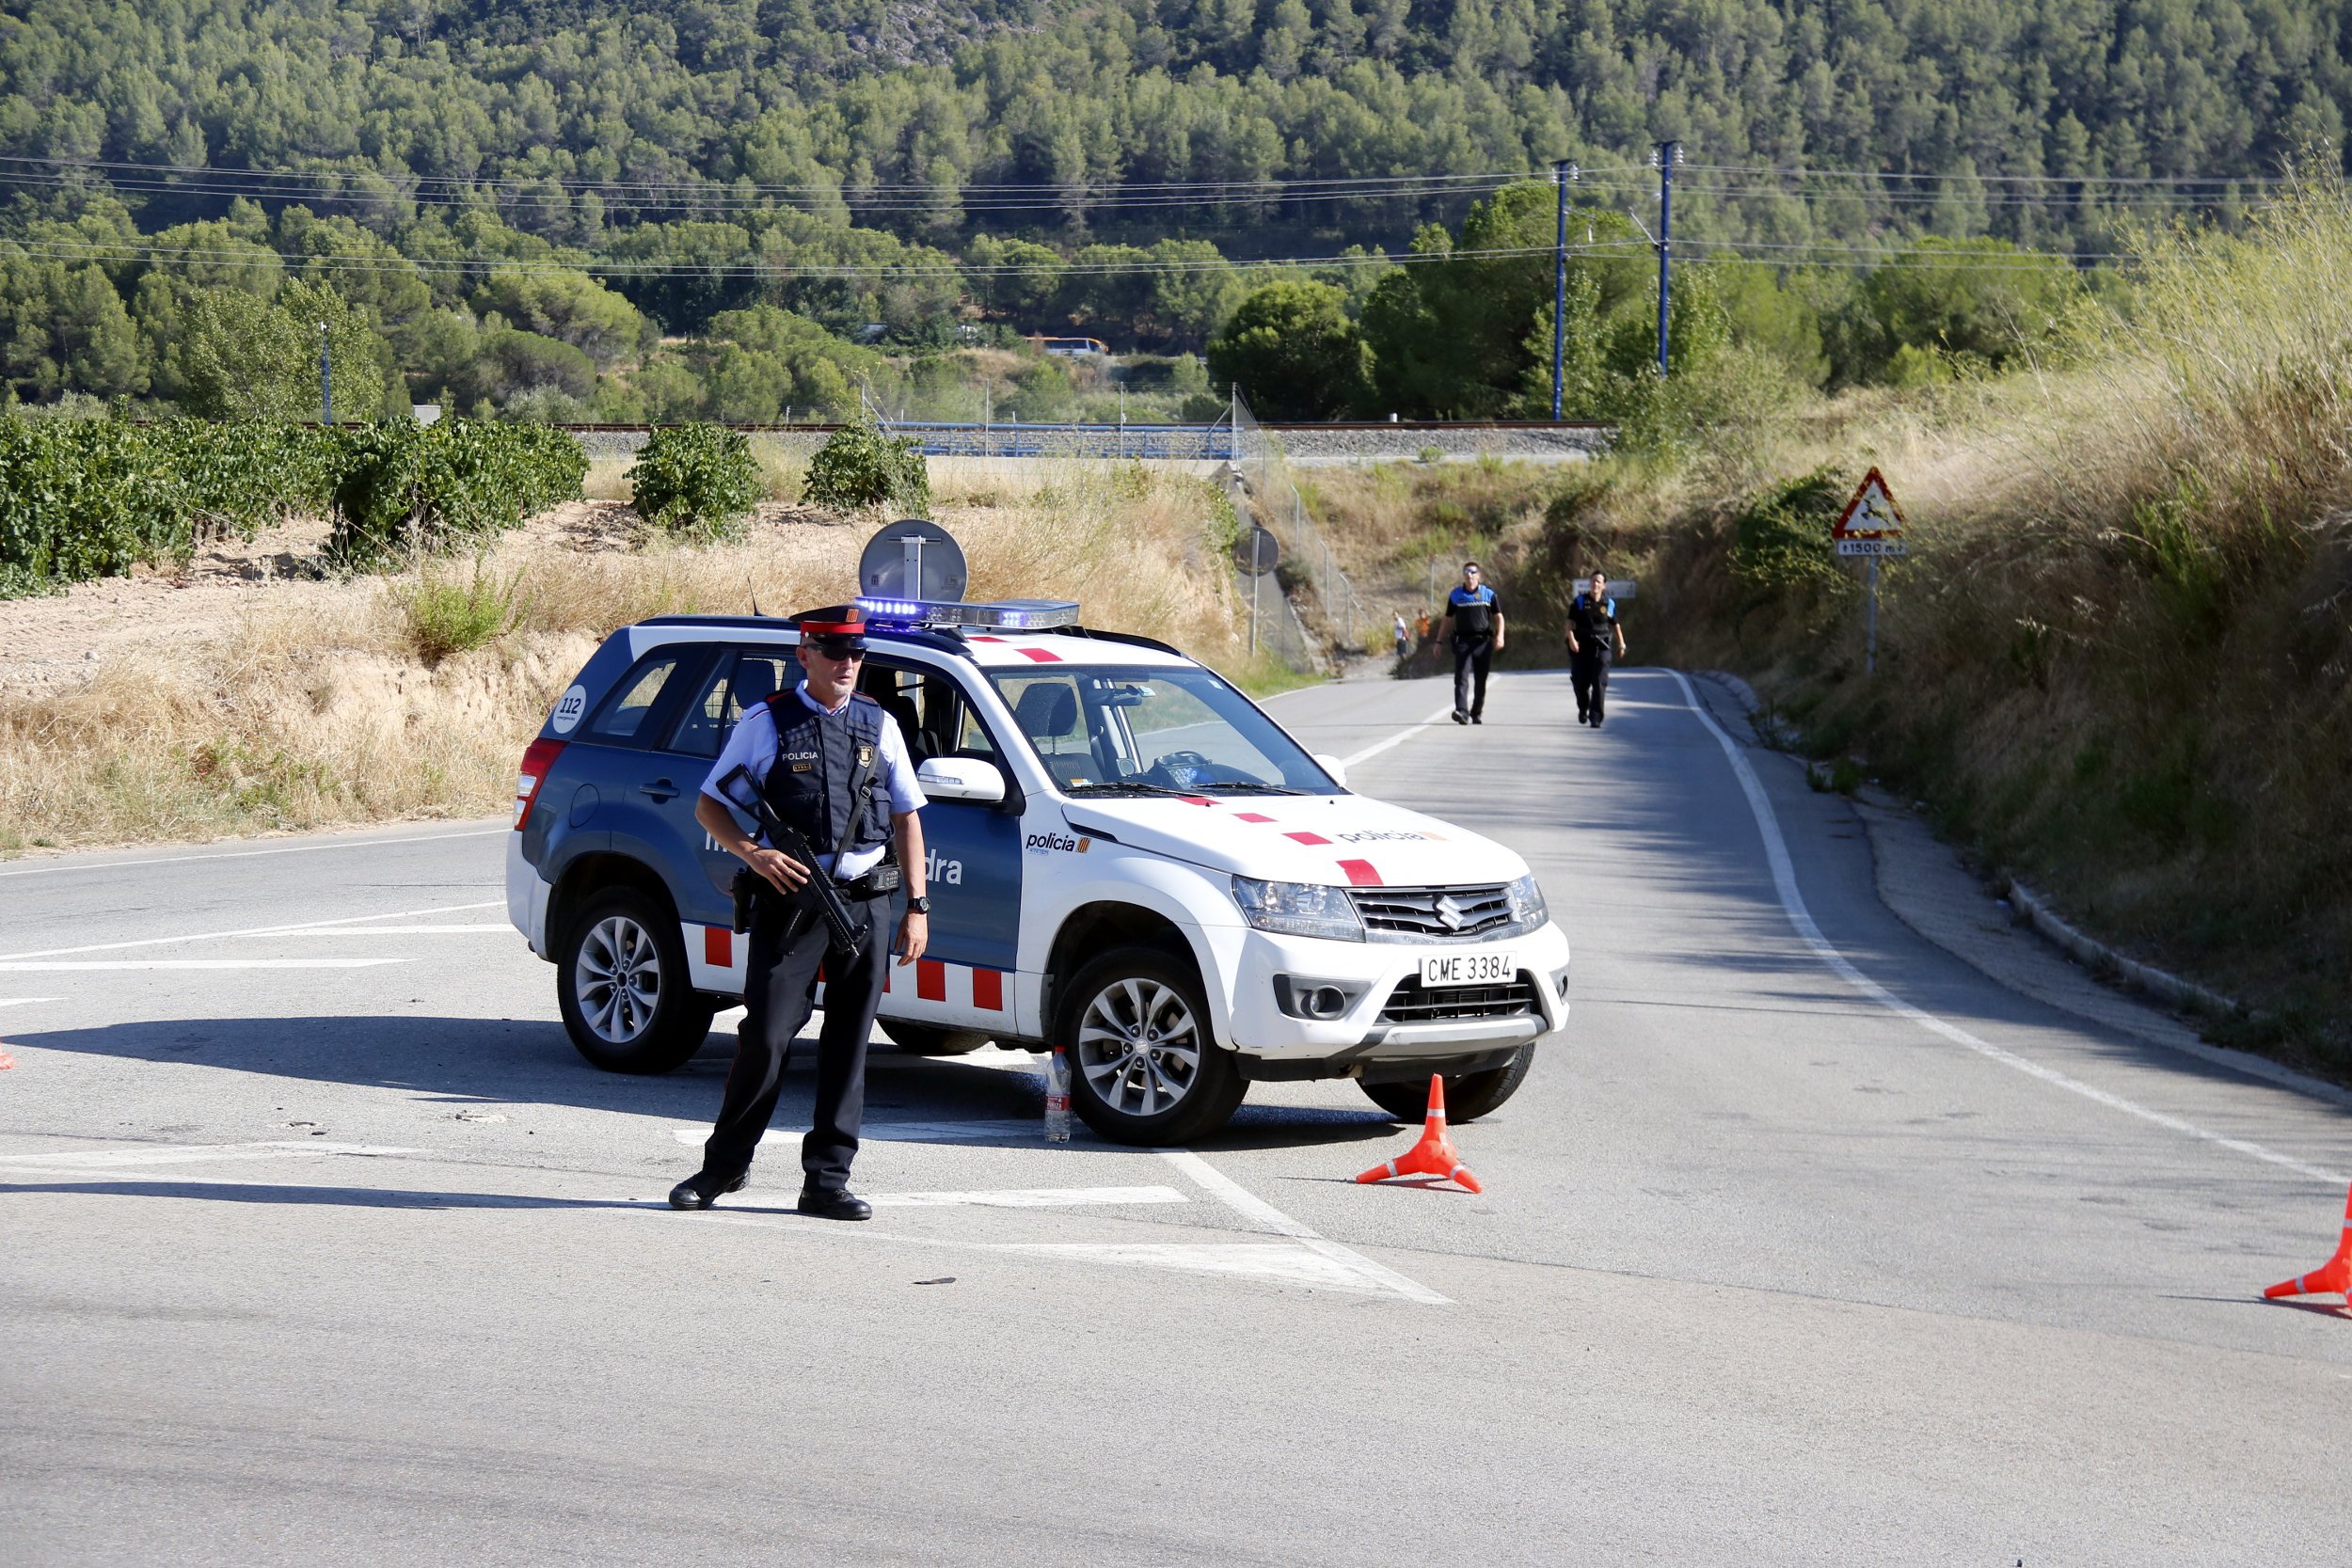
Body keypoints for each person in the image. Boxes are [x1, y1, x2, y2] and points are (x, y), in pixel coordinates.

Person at [670, 604, 930, 1220]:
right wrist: (753, 853)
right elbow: (711, 804)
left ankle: (826, 1181)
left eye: (856, 654)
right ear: (804, 654)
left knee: (848, 1045)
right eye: (834, 652)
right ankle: (724, 1167)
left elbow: (906, 816)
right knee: (765, 1035)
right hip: (792, 904)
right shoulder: (768, 722)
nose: (847, 664)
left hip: (866, 900)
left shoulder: (879, 723)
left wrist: (917, 906)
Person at [1438, 562, 1504, 724]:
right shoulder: (1456, 595)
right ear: (1463, 575)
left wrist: (1500, 635)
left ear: (1478, 575)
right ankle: (1462, 711)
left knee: (1481, 679)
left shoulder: (1488, 594)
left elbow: (1498, 617)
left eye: (1473, 572)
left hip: (1483, 641)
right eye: (1466, 572)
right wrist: (1438, 641)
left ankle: (1476, 712)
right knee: (1461, 677)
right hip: (1463, 641)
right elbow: (1447, 619)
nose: (1469, 575)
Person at [1563, 570, 1627, 727]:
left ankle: (1596, 716)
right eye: (1593, 581)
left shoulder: (1609, 604)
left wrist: (1621, 644)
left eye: (1599, 582)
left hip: (1602, 648)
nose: (1595, 584)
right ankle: (1583, 708)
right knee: (1579, 682)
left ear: (1604, 585)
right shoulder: (1579, 602)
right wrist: (1572, 640)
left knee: (1599, 682)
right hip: (1581, 648)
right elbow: (1569, 624)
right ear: (1589, 583)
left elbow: (1615, 624)